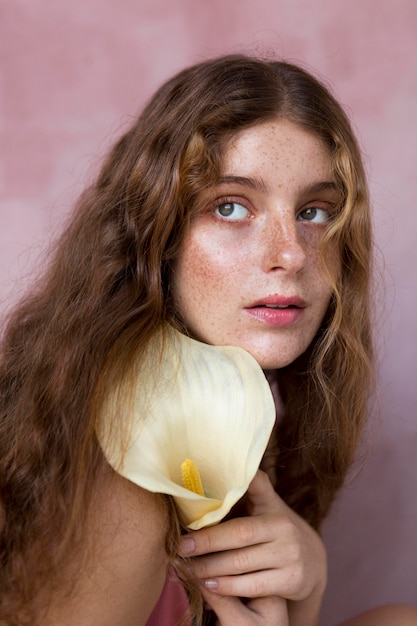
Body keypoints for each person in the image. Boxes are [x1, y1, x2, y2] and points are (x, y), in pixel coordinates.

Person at [0, 53, 415, 626]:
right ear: (155, 239)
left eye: (316, 212)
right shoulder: (123, 481)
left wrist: (308, 582)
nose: (291, 253)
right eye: (230, 207)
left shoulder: (242, 417)